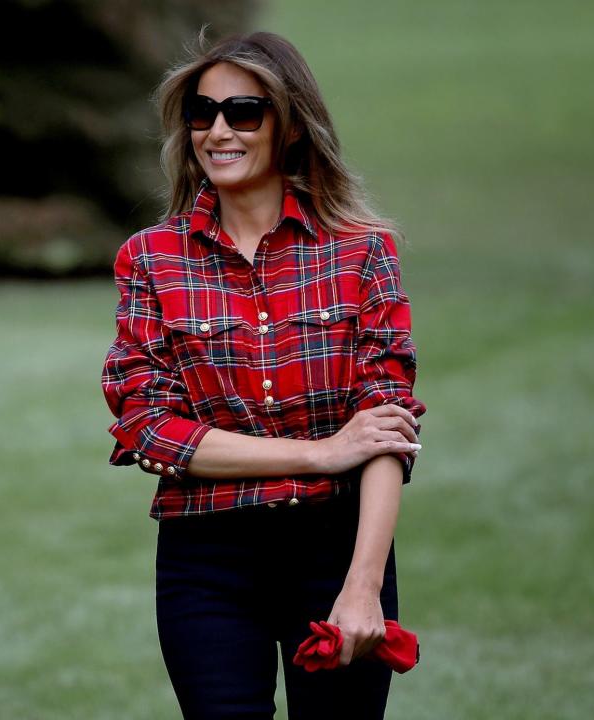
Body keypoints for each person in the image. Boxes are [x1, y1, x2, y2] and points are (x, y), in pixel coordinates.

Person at [101, 30, 426, 720]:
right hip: (206, 560)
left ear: (291, 126)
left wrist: (363, 585)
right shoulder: (151, 261)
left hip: (336, 551)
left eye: (243, 112)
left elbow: (387, 429)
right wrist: (323, 452)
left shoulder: (363, 254)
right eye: (201, 112)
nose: (217, 130)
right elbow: (149, 429)